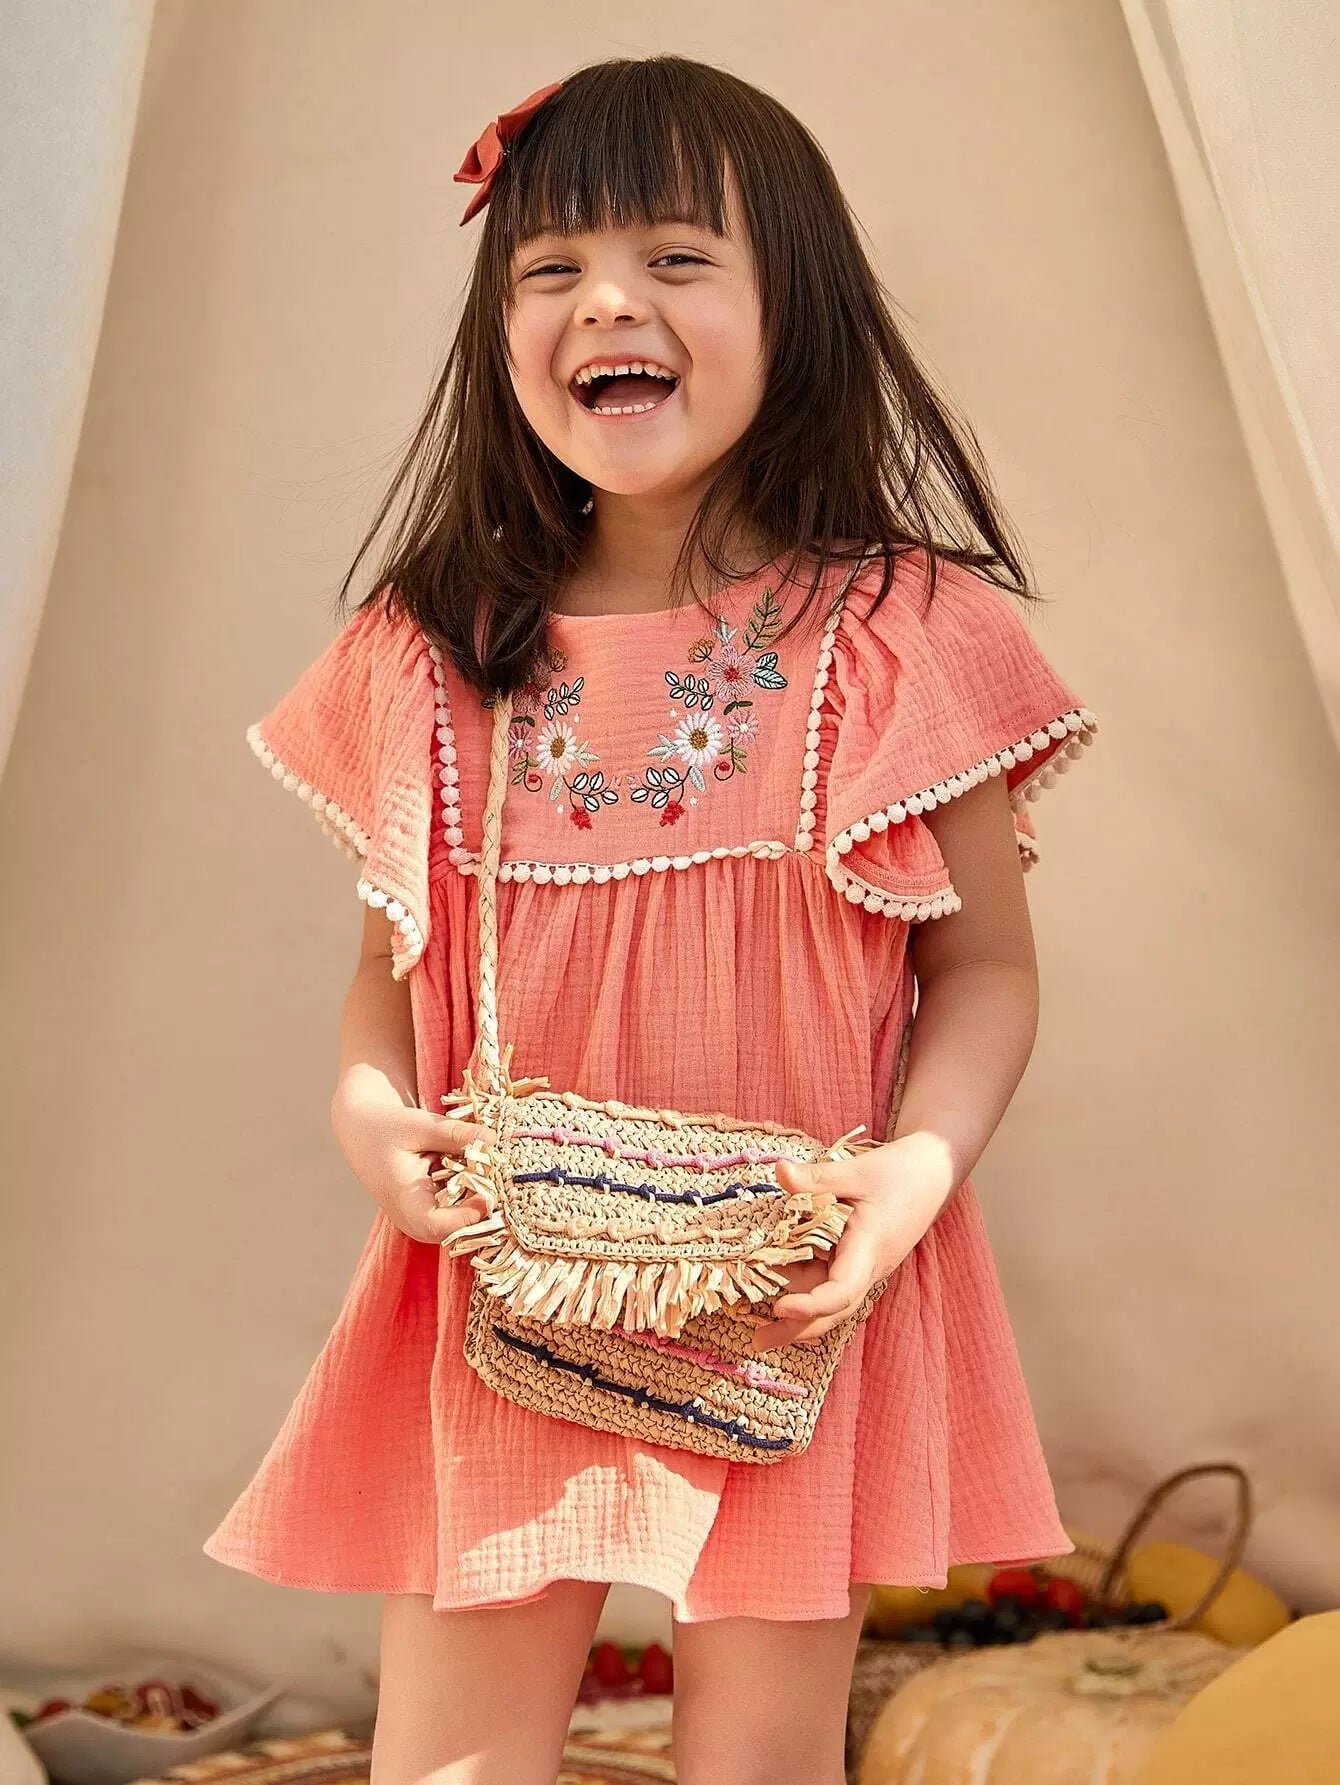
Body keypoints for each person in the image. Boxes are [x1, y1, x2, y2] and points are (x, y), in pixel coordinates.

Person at [204, 53, 1098, 1785]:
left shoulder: (902, 636)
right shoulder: (433, 645)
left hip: (792, 1286)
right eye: (553, 268)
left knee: (762, 1755)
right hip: (508, 1273)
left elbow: (985, 965)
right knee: (450, 1758)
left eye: (677, 256)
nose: (609, 300)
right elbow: (387, 969)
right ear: (502, 332)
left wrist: (917, 1171)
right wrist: (371, 1113)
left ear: (798, 303)